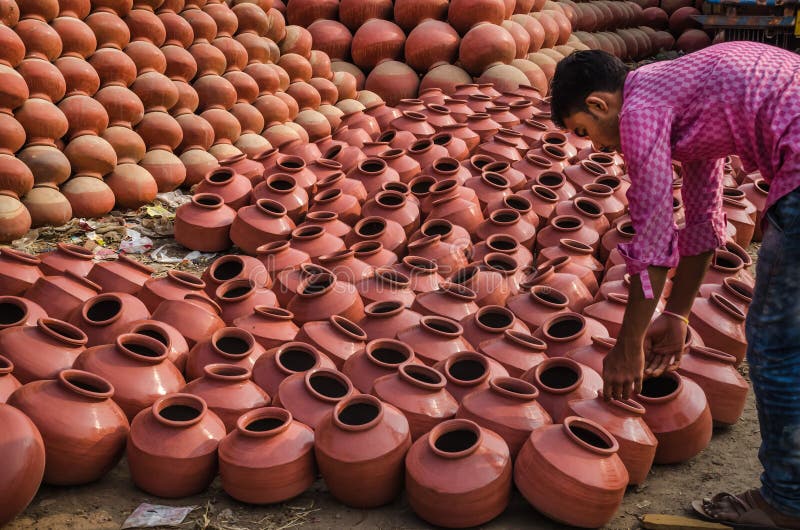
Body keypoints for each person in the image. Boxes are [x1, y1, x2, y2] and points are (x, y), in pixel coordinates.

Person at [549, 41, 800, 528]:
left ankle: (787, 503)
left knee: (774, 345)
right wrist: (678, 315)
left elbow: (655, 238)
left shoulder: (640, 112)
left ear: (601, 104)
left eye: (586, 131)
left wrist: (626, 348)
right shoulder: (683, 96)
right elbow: (704, 220)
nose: (599, 148)